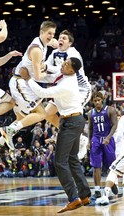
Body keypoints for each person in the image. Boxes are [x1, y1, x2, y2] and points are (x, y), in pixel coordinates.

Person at [20, 57, 91, 213]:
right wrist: (37, 70)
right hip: (73, 120)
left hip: (72, 121)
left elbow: (43, 92)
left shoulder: (67, 84)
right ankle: (84, 195)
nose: (63, 64)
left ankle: (73, 198)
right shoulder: (64, 75)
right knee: (72, 159)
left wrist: (28, 79)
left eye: (66, 64)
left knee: (59, 161)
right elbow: (48, 76)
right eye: (64, 62)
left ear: (72, 70)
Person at [0, 21, 57, 161]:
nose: (51, 36)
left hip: (21, 83)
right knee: (41, 113)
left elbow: (50, 42)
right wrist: (51, 75)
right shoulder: (37, 50)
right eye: (49, 33)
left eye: (53, 34)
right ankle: (8, 130)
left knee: (21, 120)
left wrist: (53, 42)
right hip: (21, 83)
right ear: (41, 32)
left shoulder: (42, 42)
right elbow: (38, 76)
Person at [42, 29, 92, 128]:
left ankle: (80, 137)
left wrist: (46, 68)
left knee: (70, 116)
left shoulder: (73, 54)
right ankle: (64, 131)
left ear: (70, 43)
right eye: (60, 38)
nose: (61, 39)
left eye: (64, 38)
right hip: (64, 88)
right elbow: (45, 66)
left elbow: (60, 70)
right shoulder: (55, 52)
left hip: (79, 89)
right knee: (46, 114)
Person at [88, 91, 117, 200]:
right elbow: (90, 128)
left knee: (111, 165)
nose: (97, 103)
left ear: (102, 100)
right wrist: (89, 141)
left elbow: (115, 125)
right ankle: (97, 190)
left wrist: (108, 137)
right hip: (96, 140)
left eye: (98, 100)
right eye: (95, 101)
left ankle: (112, 183)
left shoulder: (110, 110)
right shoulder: (90, 113)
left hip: (107, 139)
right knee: (96, 166)